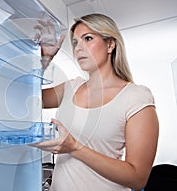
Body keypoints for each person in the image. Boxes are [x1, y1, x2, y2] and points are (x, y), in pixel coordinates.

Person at [32, 14, 159, 191]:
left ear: (110, 44)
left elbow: (137, 179)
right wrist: (43, 61)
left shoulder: (135, 97)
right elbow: (27, 99)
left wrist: (75, 147)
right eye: (75, 42)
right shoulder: (71, 87)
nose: (78, 48)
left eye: (88, 39)